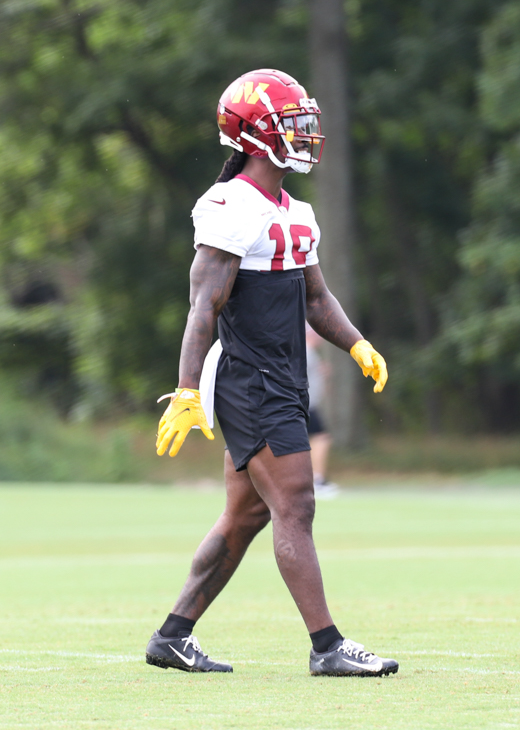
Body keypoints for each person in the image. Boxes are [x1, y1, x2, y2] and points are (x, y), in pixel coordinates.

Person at [147, 69, 396, 677]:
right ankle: (327, 646)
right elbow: (203, 306)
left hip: (283, 378)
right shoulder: (233, 206)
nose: (306, 135)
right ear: (256, 135)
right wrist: (185, 391)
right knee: (297, 504)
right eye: (293, 124)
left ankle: (172, 636)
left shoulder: (297, 211)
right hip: (250, 379)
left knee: (247, 515)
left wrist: (357, 344)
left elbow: (315, 298)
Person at [305, 324, 338, 499]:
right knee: (321, 438)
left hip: (309, 404)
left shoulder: (310, 354)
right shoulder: (306, 351)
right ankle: (317, 479)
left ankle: (312, 479)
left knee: (313, 440)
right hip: (307, 405)